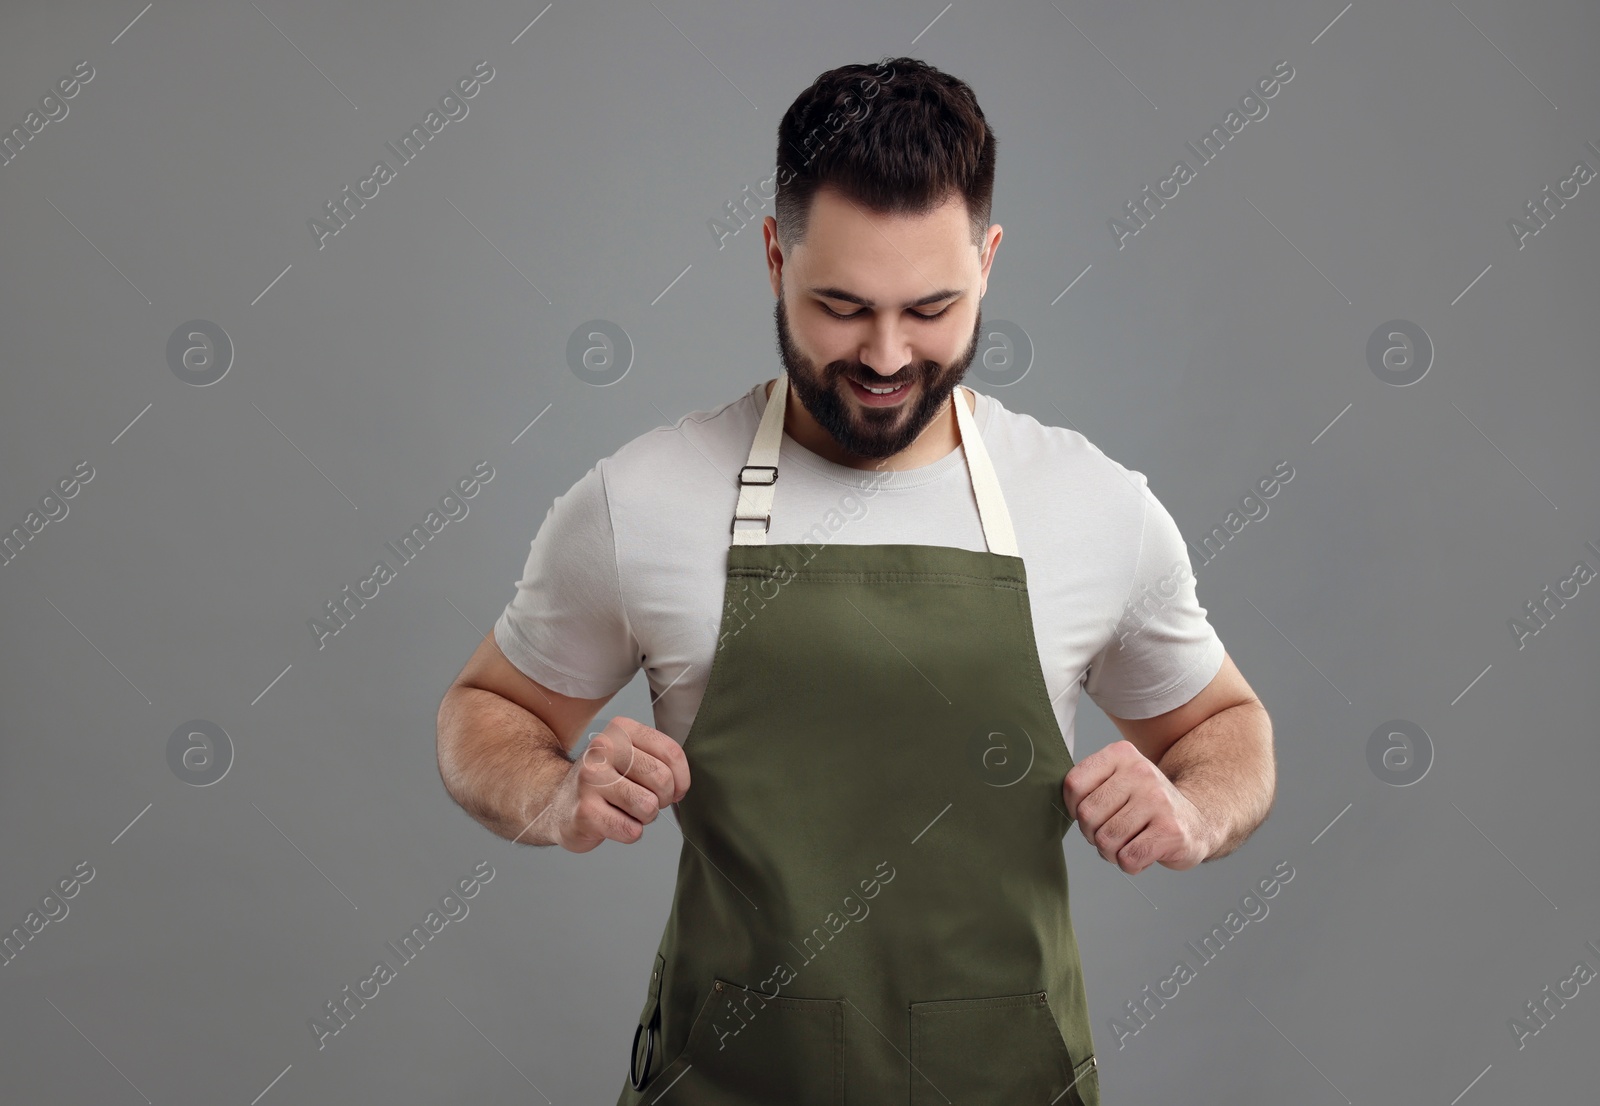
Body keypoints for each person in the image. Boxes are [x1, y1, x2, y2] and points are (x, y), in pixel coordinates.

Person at [436, 55, 1275, 1106]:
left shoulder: (1092, 505)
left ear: (989, 260)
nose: (885, 355)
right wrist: (552, 793)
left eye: (931, 308)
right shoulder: (640, 498)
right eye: (840, 306)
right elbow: (486, 709)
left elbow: (1228, 726)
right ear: (774, 255)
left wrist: (1194, 808)